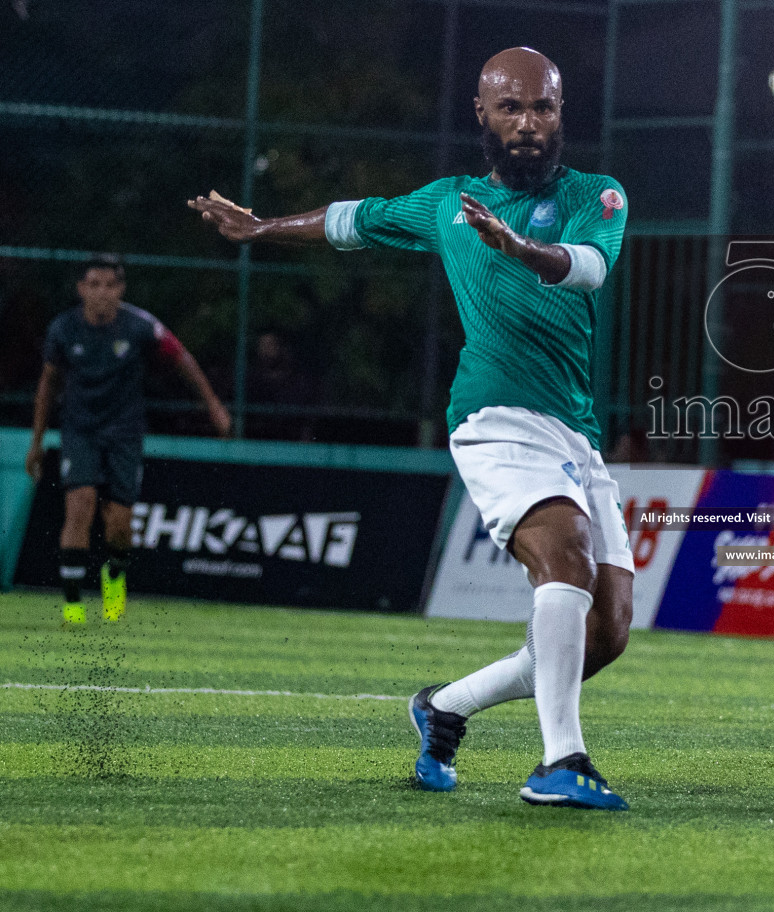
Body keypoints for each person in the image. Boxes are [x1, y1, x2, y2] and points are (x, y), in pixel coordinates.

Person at [190, 47, 634, 811]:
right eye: (512, 108)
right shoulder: (447, 204)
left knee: (608, 631)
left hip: (575, 434)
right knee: (565, 558)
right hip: (495, 415)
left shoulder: (598, 194)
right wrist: (262, 227)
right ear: (481, 113)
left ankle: (444, 706)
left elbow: (588, 267)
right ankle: (562, 762)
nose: (529, 123)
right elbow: (350, 222)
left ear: (562, 112)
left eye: (544, 107)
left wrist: (521, 249)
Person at [25, 255, 230, 625]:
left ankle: (114, 577)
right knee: (81, 504)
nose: (102, 292)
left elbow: (182, 358)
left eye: (110, 285)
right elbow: (48, 385)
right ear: (82, 289)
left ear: (120, 290)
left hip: (125, 433)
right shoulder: (63, 330)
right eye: (95, 285)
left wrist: (213, 405)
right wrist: (37, 441)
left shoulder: (140, 327)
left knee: (120, 524)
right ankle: (73, 606)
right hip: (80, 430)